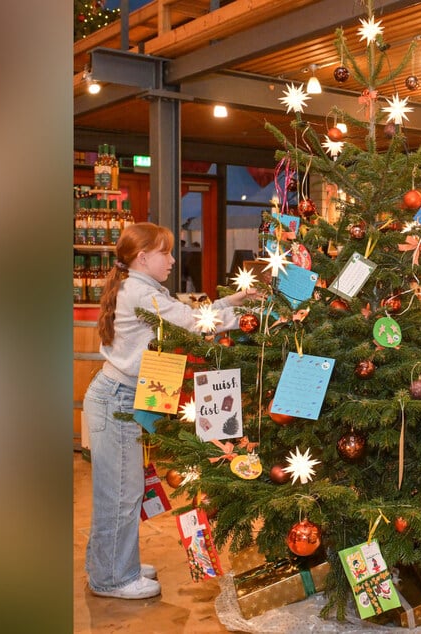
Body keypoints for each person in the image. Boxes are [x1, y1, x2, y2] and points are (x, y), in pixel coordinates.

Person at [83, 222, 258, 599]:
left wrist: (230, 304)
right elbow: (193, 324)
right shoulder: (141, 292)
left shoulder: (140, 287)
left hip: (122, 396)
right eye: (166, 251)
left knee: (122, 490)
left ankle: (111, 564)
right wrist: (250, 316)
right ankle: (113, 578)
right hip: (118, 399)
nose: (174, 258)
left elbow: (184, 315)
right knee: (120, 493)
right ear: (143, 257)